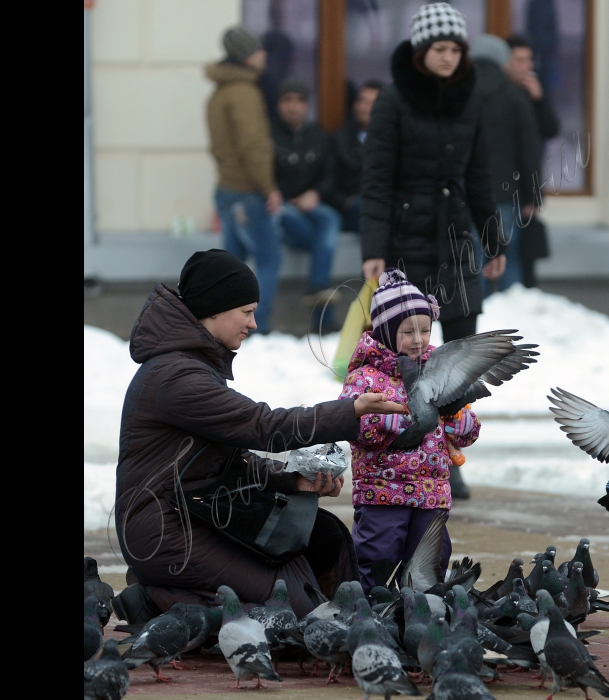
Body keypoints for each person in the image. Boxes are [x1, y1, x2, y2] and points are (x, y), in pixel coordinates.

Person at [111, 249, 407, 624]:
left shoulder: (191, 365)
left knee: (318, 539)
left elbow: (228, 458)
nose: (253, 323)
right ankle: (156, 600)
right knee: (290, 605)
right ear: (215, 309)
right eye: (246, 311)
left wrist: (292, 480)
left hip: (192, 514)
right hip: (165, 531)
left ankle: (172, 594)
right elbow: (262, 426)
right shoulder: (177, 378)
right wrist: (350, 412)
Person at [359, 3, 505, 499]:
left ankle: (452, 456)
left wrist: (492, 240)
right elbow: (376, 180)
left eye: (455, 49)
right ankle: (396, 443)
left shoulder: (471, 97)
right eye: (439, 49)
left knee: (462, 358)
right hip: (404, 246)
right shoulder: (394, 100)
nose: (448, 57)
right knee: (408, 357)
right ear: (422, 52)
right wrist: (374, 249)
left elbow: (480, 175)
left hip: (457, 243)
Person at [338, 268, 481, 595]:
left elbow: (469, 432)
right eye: (408, 331)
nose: (418, 339)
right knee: (378, 554)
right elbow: (350, 420)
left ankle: (420, 611)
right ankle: (371, 609)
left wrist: (458, 421)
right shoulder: (366, 376)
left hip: (431, 493)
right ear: (387, 331)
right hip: (383, 491)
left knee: (430, 557)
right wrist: (398, 420)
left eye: (425, 330)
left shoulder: (441, 373)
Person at [205, 25, 283, 336]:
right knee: (268, 258)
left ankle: (226, 327)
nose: (264, 54)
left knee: (233, 267)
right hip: (249, 193)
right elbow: (254, 147)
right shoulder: (244, 93)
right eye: (258, 49)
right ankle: (257, 326)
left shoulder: (220, 92)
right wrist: (269, 188)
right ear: (245, 56)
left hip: (226, 188)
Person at [469, 34, 541, 297]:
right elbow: (530, 151)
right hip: (507, 192)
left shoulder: (460, 96)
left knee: (473, 257)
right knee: (508, 255)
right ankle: (513, 314)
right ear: (503, 62)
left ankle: (477, 310)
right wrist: (533, 195)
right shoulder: (515, 98)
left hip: (468, 192)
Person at [271, 78, 343, 331]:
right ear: (278, 104)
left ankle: (317, 287)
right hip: (282, 207)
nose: (293, 107)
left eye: (299, 101)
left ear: (307, 105)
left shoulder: (317, 135)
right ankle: (322, 312)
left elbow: (330, 175)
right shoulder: (270, 136)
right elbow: (264, 175)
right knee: (317, 240)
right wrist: (283, 195)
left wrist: (315, 193)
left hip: (311, 204)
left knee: (331, 219)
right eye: (287, 100)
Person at [505, 34, 561, 288]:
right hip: (503, 184)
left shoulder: (531, 93)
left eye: (529, 59)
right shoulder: (498, 95)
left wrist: (539, 99)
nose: (526, 66)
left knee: (524, 252)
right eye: (520, 60)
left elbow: (550, 129)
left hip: (526, 184)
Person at [328, 79, 385, 234]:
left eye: (371, 103)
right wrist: (347, 201)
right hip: (353, 210)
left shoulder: (395, 141)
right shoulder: (339, 140)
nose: (364, 108)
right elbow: (328, 183)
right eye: (361, 101)